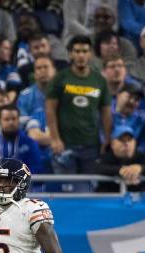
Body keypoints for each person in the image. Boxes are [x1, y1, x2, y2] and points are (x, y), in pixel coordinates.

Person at [46, 35, 112, 179]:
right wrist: (55, 138)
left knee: (89, 192)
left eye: (84, 51)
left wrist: (107, 139)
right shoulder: (60, 78)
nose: (81, 55)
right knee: (68, 192)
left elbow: (106, 112)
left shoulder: (100, 80)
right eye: (77, 51)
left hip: (91, 145)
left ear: (91, 54)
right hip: (65, 144)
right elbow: (50, 109)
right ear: (70, 54)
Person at [0, 104, 44, 174]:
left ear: (18, 120)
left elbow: (36, 168)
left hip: (24, 183)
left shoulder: (29, 143)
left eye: (14, 119)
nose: (11, 122)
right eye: (7, 119)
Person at [96, 125, 145, 192]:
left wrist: (140, 168)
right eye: (121, 140)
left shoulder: (143, 156)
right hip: (110, 200)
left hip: (141, 199)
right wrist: (121, 170)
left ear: (135, 142)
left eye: (129, 140)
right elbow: (96, 169)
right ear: (112, 144)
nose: (126, 143)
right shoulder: (106, 157)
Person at [112, 83, 145, 153]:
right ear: (118, 95)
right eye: (129, 96)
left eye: (136, 99)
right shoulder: (105, 114)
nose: (132, 101)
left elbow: (143, 145)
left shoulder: (142, 119)